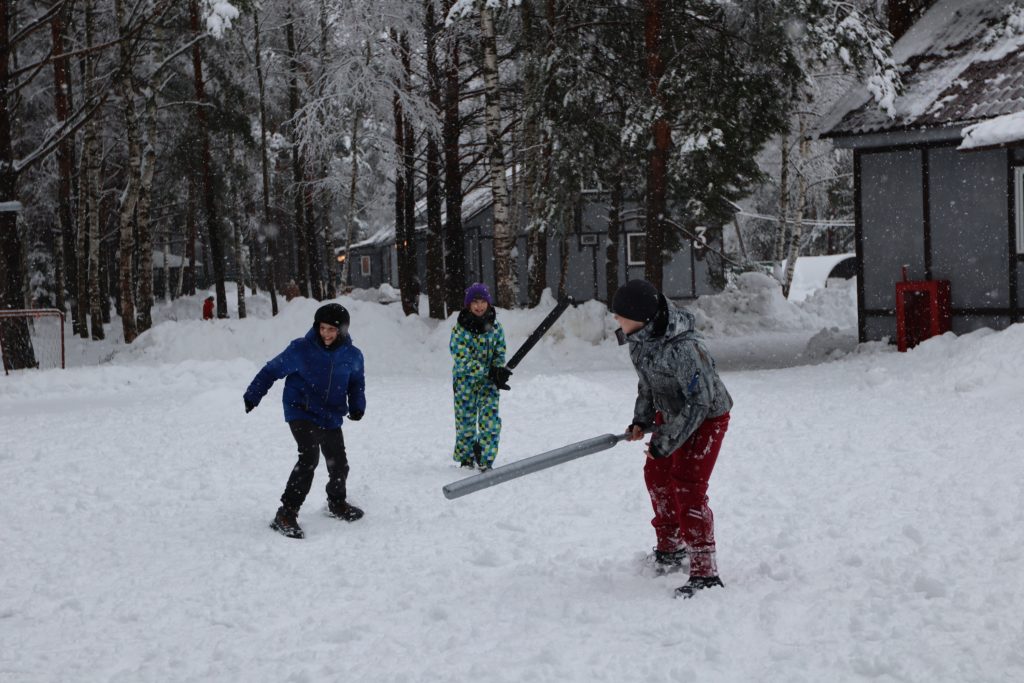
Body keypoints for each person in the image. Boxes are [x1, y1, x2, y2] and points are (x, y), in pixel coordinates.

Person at [611, 279, 733, 599]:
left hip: (705, 417)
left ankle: (705, 571)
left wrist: (666, 441)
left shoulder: (685, 347)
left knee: (687, 486)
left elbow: (700, 402)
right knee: (657, 476)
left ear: (642, 316)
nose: (615, 319)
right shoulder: (639, 339)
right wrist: (643, 419)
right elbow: (647, 385)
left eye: (620, 314)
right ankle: (671, 548)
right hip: (672, 413)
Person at [243, 303, 366, 539]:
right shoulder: (301, 349)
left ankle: (336, 503)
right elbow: (271, 371)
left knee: (338, 462)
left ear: (342, 330)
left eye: (332, 329)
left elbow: (356, 384)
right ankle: (286, 513)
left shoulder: (353, 355)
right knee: (309, 457)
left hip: (330, 414)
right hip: (301, 409)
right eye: (322, 328)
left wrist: (358, 406)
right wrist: (253, 395)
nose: (326, 334)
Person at [450, 282, 509, 472]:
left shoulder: (496, 328)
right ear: (468, 304)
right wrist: (487, 371)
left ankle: (486, 459)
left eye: (482, 301)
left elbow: (500, 352)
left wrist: (498, 370)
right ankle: (467, 459)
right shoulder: (460, 330)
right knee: (465, 423)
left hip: (489, 385)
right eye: (474, 302)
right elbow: (462, 359)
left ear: (488, 303)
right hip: (465, 384)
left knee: (490, 422)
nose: (479, 306)